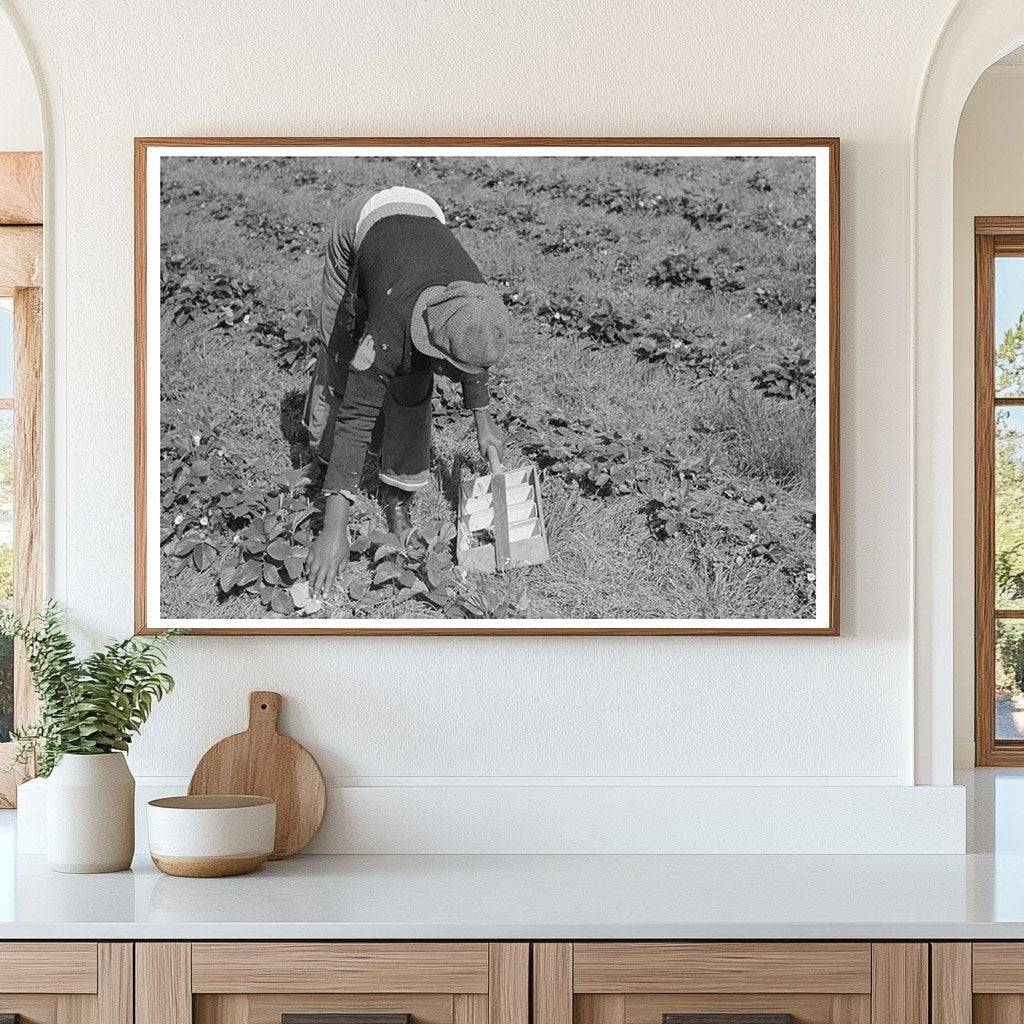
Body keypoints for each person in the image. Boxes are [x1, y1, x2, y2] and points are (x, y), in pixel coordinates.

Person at [303, 185, 512, 597]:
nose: (454, 378)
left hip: (424, 217)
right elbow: (357, 418)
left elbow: (471, 351)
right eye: (450, 369)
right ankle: (325, 462)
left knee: (414, 385)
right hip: (363, 225)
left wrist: (483, 420)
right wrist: (333, 530)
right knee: (342, 355)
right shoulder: (391, 327)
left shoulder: (476, 302)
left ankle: (396, 493)